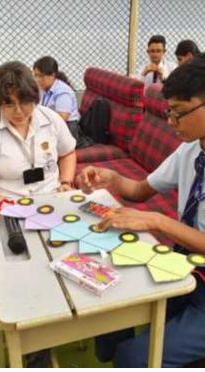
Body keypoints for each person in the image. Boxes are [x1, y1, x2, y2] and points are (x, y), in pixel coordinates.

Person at [77, 58, 205, 367]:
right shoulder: (190, 149)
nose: (171, 122)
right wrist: (112, 178)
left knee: (134, 357)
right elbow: (139, 190)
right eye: (168, 112)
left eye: (179, 112)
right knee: (107, 290)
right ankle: (113, 351)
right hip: (185, 264)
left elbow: (156, 217)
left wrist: (156, 220)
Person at [0, 61, 76, 270]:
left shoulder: (51, 119)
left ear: (35, 97)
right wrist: (19, 209)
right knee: (4, 263)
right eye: (8, 104)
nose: (18, 111)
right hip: (5, 204)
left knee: (69, 251)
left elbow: (68, 153)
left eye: (24, 102)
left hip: (50, 197)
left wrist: (66, 182)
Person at [33, 56, 82, 142]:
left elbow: (61, 120)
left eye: (41, 76)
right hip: (51, 123)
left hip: (67, 128)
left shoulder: (62, 92)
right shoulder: (43, 88)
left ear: (52, 75)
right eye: (36, 75)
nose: (37, 79)